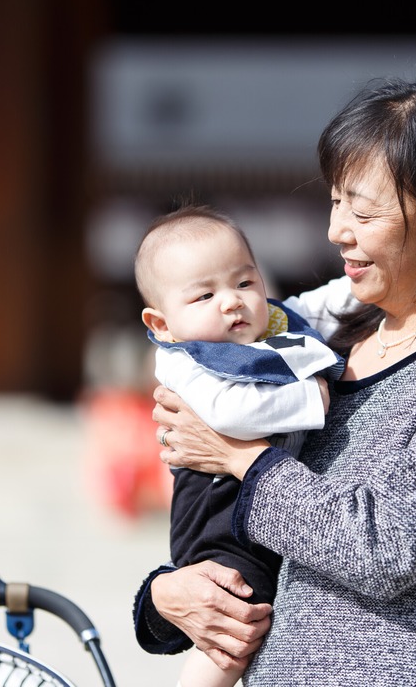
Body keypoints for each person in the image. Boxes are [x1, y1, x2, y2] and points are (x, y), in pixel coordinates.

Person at [131, 77, 416, 686]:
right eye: (336, 202)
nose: (338, 230)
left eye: (364, 210)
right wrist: (166, 596)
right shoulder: (319, 342)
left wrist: (240, 456)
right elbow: (242, 533)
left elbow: (383, 548)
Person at [133, 205, 347, 687]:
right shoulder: (183, 361)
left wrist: (362, 286)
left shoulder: (272, 329)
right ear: (161, 323)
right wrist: (309, 398)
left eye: (245, 283)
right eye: (205, 295)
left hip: (254, 507)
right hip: (217, 514)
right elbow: (231, 413)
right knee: (234, 627)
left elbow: (326, 303)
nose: (232, 302)